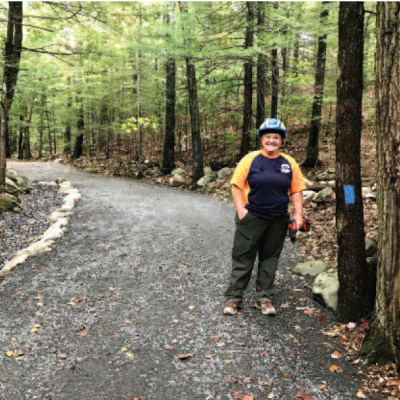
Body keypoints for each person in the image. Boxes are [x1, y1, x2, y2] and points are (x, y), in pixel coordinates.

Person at [223, 118, 306, 316]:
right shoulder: (251, 159)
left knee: (270, 259)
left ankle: (264, 298)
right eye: (268, 137)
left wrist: (298, 214)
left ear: (281, 141)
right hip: (252, 217)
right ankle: (234, 299)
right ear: (262, 139)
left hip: (278, 219)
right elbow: (236, 185)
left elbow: (296, 191)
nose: (272, 141)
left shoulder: (289, 163)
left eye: (276, 137)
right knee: (243, 258)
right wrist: (242, 210)